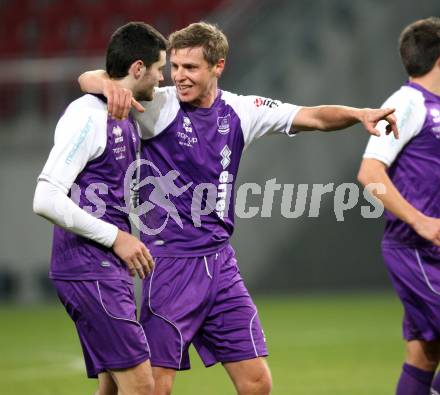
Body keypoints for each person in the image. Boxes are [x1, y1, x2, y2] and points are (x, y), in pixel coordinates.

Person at [79, 21, 398, 395]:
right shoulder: (157, 105)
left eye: (191, 68)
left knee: (257, 382)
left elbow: (311, 116)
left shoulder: (242, 110)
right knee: (153, 388)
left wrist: (359, 114)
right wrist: (107, 86)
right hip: (170, 266)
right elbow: (88, 78)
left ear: (218, 66)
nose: (178, 77)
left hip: (220, 266)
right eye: (175, 67)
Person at [33, 22, 167, 395]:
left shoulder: (125, 111)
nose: (162, 78)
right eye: (159, 69)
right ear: (138, 68)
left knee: (112, 386)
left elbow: (93, 78)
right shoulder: (86, 115)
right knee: (142, 387)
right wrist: (118, 237)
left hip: (105, 267)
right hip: (90, 268)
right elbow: (45, 198)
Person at [357, 17, 440, 395]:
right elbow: (370, 173)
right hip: (418, 249)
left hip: (431, 249)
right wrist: (421, 221)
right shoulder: (406, 102)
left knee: (424, 354)